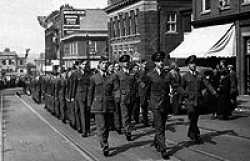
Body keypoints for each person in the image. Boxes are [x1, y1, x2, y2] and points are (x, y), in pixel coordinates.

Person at [181, 55, 218, 143]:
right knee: (192, 116)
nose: (193, 65)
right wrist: (182, 99)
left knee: (195, 119)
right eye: (191, 63)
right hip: (189, 101)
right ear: (188, 65)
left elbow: (207, 84)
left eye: (194, 63)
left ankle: (191, 133)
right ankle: (196, 135)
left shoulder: (199, 75)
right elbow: (181, 88)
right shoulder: (185, 76)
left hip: (198, 100)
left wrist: (214, 92)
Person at [88, 59, 119, 156]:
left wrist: (116, 100)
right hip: (98, 106)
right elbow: (90, 92)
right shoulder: (94, 78)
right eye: (103, 63)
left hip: (109, 105)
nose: (105, 65)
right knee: (101, 127)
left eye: (106, 64)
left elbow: (115, 90)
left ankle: (104, 141)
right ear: (99, 65)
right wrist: (89, 105)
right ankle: (104, 145)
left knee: (106, 127)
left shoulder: (112, 77)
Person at [145, 51, 171, 159]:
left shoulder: (167, 74)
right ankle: (163, 149)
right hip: (155, 104)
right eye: (158, 61)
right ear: (155, 63)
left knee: (162, 126)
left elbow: (173, 85)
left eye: (162, 60)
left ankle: (157, 141)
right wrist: (148, 103)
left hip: (165, 103)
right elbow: (146, 90)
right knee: (159, 126)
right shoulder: (150, 75)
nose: (161, 62)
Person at [116, 55, 137, 141]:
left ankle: (127, 128)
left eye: (127, 61)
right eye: (124, 62)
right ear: (121, 64)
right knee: (125, 116)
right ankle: (128, 131)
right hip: (123, 98)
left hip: (132, 97)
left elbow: (136, 83)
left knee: (130, 115)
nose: (126, 63)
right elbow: (116, 87)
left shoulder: (132, 73)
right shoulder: (118, 74)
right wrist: (118, 96)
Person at [73, 60, 91, 137]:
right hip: (79, 95)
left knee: (87, 113)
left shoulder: (88, 74)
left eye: (85, 64)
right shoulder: (76, 74)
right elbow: (74, 86)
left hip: (87, 95)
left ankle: (87, 129)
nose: (84, 66)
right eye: (83, 64)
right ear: (80, 65)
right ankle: (83, 130)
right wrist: (72, 97)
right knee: (82, 113)